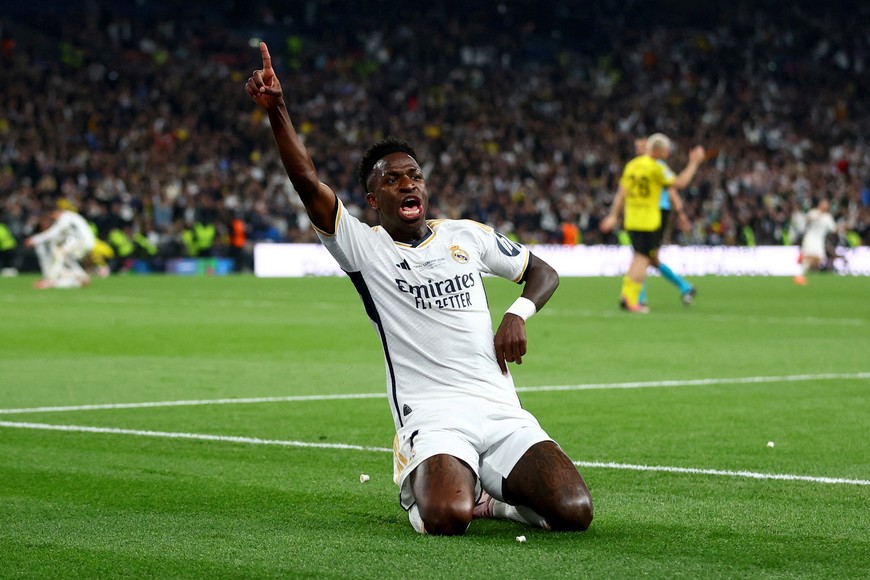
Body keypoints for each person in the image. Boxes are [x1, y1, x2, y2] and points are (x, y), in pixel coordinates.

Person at [247, 42, 592, 536]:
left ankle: (494, 503)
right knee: (446, 518)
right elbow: (307, 182)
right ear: (372, 198)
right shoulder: (364, 249)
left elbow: (544, 273)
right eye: (393, 180)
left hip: (499, 409)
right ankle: (444, 486)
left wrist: (517, 313)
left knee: (575, 511)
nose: (408, 184)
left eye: (415, 176)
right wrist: (278, 108)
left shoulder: (465, 235)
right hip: (431, 418)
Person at [600, 133, 705, 313]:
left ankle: (628, 296)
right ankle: (634, 300)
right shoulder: (657, 167)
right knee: (644, 259)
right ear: (659, 150)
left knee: (640, 257)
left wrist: (613, 216)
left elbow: (621, 192)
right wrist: (694, 163)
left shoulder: (631, 166)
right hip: (649, 221)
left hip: (632, 219)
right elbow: (678, 184)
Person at [631, 137, 697, 308]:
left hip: (657, 213)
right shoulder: (641, 167)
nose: (638, 149)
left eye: (641, 146)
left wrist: (681, 213)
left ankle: (638, 298)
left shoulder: (655, 167)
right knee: (649, 258)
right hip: (649, 214)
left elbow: (673, 189)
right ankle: (684, 286)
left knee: (643, 256)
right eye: (637, 147)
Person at [24, 203, 97, 289]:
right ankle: (81, 277)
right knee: (64, 255)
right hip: (83, 241)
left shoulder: (65, 218)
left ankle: (50, 280)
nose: (53, 218)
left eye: (52, 215)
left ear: (58, 211)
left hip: (82, 242)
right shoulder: (71, 217)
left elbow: (54, 232)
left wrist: (35, 239)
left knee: (59, 253)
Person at [794, 198, 838, 285]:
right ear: (820, 204)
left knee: (819, 258)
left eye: (827, 204)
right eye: (824, 204)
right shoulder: (813, 213)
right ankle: (801, 275)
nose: (826, 206)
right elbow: (806, 221)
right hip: (810, 238)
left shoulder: (827, 217)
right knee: (809, 256)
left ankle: (810, 274)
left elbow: (834, 229)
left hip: (819, 240)